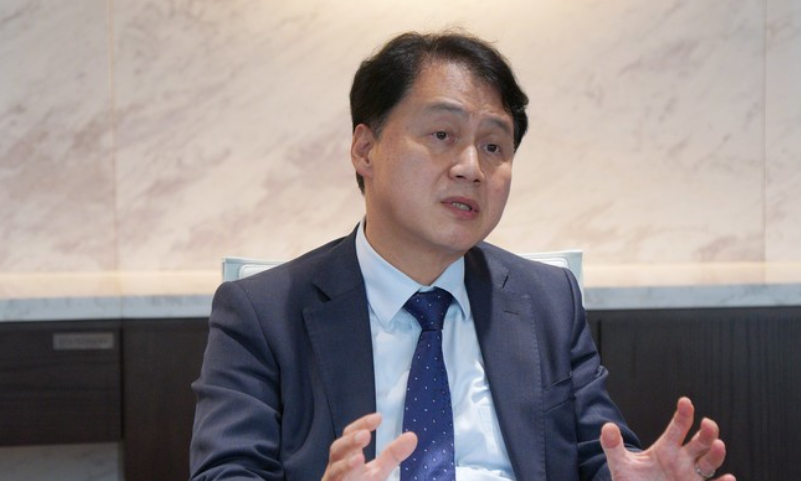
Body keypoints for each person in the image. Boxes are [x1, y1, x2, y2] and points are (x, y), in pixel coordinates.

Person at [189, 31, 733, 481]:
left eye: (494, 146)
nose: (471, 167)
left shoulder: (546, 299)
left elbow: (600, 455)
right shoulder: (262, 312)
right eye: (442, 134)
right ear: (365, 149)